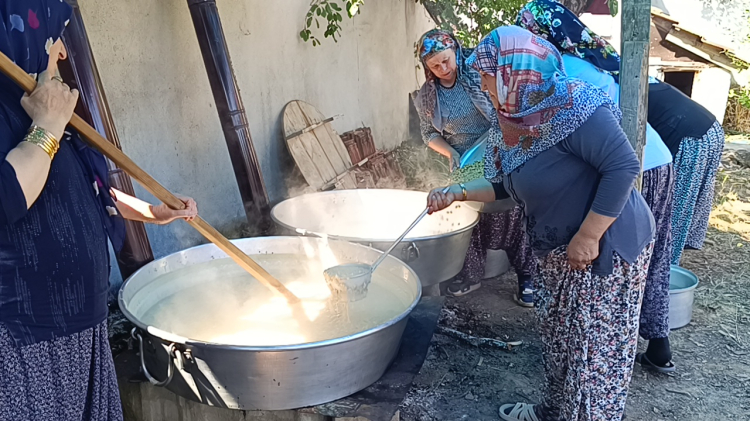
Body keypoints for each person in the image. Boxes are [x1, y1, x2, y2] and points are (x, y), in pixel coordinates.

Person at [427, 26, 655, 421]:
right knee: (560, 341)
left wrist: (588, 236)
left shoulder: (575, 109)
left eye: (487, 75)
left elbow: (622, 167)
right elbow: (506, 184)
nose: (482, 83)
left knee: (590, 356)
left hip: (603, 253)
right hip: (556, 252)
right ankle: (556, 411)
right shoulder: (514, 118)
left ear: (515, 73)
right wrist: (457, 192)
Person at [0, 2, 198, 420]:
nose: (63, 53)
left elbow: (93, 196)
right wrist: (48, 128)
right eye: (55, 38)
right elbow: (7, 196)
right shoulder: (28, 120)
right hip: (27, 343)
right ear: (23, 40)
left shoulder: (41, 113)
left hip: (82, 330)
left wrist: (153, 212)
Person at [516, 0, 678, 373]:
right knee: (647, 258)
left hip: (629, 165)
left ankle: (604, 355)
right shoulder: (589, 59)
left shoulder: (565, 72)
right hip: (655, 157)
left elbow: (590, 148)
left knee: (616, 258)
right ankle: (656, 346)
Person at [414, 29, 536, 304]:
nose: (443, 68)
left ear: (455, 51)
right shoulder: (427, 97)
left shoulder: (478, 75)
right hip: (464, 160)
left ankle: (527, 275)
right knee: (467, 216)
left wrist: (496, 143)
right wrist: (450, 152)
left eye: (446, 60)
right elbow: (427, 133)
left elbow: (505, 110)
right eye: (435, 65)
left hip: (499, 150)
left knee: (512, 210)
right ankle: (470, 274)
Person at [648, 79, 724, 264]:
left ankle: (664, 269)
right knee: (683, 207)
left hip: (691, 139)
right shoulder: (609, 68)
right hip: (710, 129)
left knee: (672, 210)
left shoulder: (594, 78)